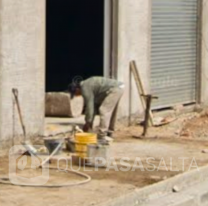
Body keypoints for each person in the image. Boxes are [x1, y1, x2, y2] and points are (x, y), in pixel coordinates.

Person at [69, 76, 124, 142]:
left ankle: (102, 135)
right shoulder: (88, 84)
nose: (77, 95)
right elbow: (94, 106)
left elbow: (90, 107)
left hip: (114, 89)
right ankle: (109, 132)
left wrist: (88, 123)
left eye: (75, 93)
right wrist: (90, 122)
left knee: (104, 110)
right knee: (111, 110)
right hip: (119, 87)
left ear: (77, 89)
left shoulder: (85, 88)